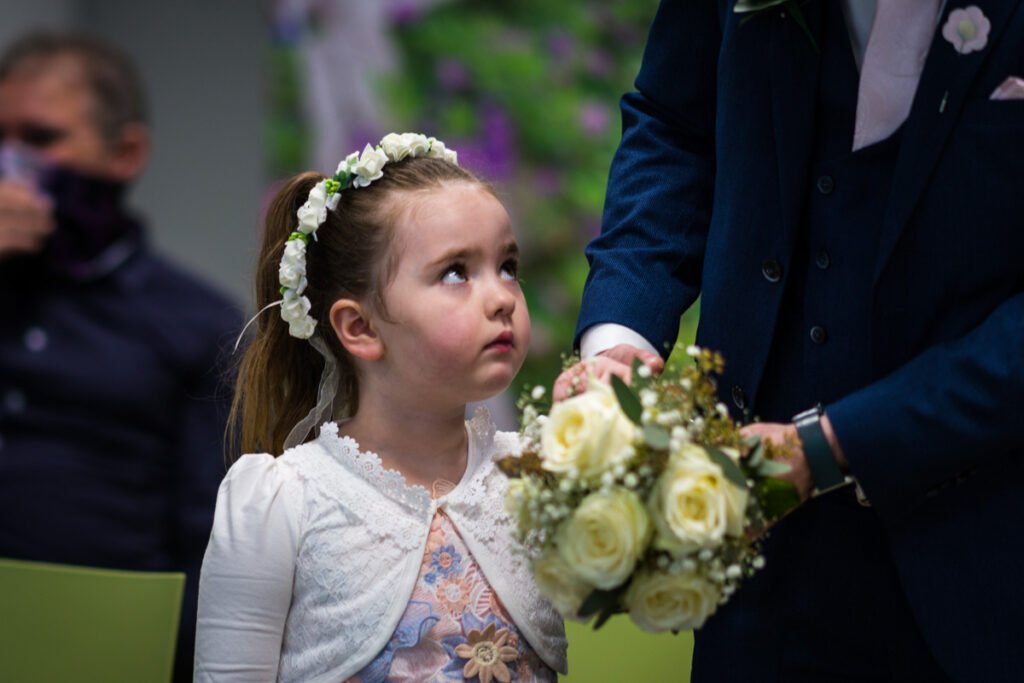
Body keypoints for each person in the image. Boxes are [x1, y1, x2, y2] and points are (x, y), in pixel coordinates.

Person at [566, 1, 1023, 681]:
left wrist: (839, 443)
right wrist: (620, 335)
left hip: (983, 559)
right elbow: (676, 120)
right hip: (754, 566)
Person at [193, 133, 568, 682]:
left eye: (507, 265)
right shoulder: (285, 502)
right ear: (360, 327)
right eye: (456, 272)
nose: (502, 297)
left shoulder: (544, 476)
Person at [0, 31, 239, 682]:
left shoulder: (194, 321)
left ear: (125, 152)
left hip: (107, 654)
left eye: (40, 139)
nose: (10, 163)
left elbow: (214, 550)